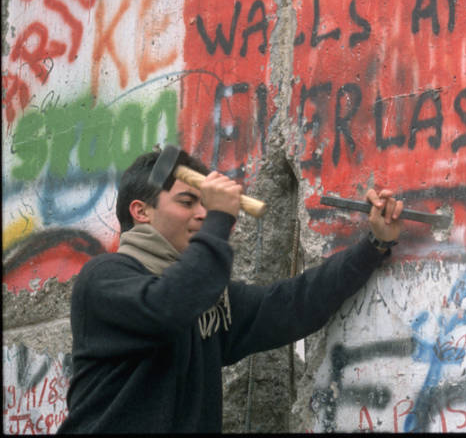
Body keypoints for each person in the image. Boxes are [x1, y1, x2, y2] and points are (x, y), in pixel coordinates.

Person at [58, 148, 404, 433]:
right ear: (141, 211)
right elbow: (168, 307)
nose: (201, 215)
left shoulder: (211, 300)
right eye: (187, 202)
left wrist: (374, 244)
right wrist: (219, 219)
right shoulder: (104, 279)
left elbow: (292, 305)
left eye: (205, 206)